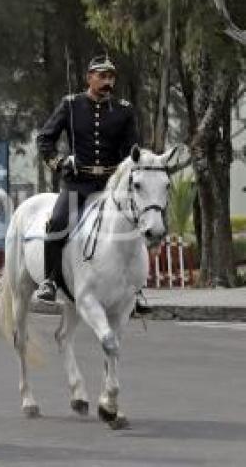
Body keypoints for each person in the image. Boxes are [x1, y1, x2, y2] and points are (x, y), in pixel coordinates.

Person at [35, 56, 150, 314]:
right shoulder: (71, 105)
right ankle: (50, 280)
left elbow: (132, 150)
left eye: (111, 77)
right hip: (78, 182)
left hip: (111, 185)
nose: (108, 82)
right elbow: (44, 138)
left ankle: (136, 287)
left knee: (136, 225)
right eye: (102, 76)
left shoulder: (124, 110)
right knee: (58, 222)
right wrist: (58, 162)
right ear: (89, 77)